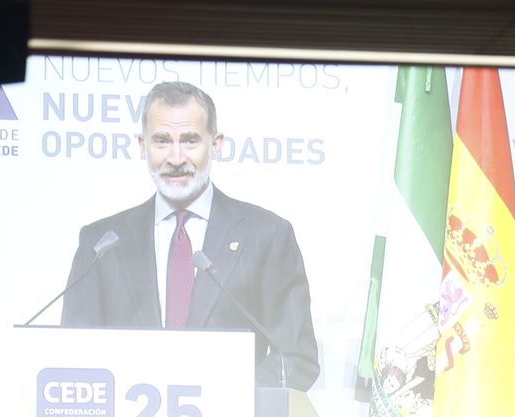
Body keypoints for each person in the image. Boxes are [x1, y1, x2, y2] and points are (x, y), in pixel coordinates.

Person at [60, 81, 320, 391]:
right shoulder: (101, 244)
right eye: (161, 141)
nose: (175, 158)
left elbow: (295, 358)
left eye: (190, 141)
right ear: (142, 145)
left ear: (216, 145)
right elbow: (72, 355)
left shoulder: (267, 235)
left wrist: (224, 402)